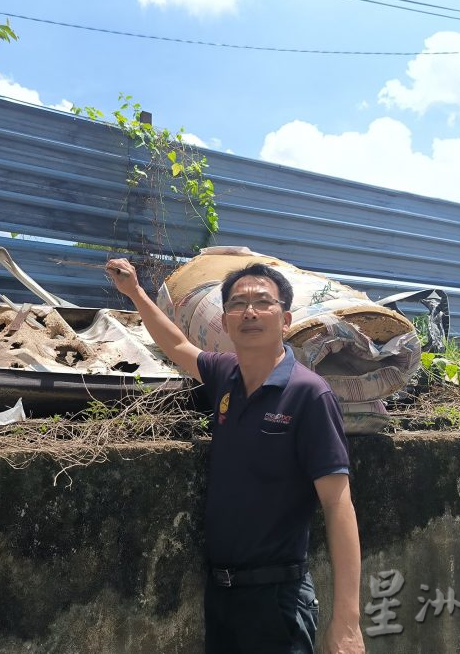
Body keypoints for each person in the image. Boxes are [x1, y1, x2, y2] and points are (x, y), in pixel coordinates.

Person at [105, 258, 365, 654]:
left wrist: (347, 621)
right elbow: (176, 345)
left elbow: (337, 503)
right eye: (237, 304)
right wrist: (135, 293)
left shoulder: (309, 394)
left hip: (277, 600)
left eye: (263, 302)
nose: (249, 312)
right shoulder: (226, 374)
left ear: (286, 318)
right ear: (224, 322)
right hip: (222, 595)